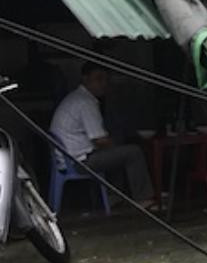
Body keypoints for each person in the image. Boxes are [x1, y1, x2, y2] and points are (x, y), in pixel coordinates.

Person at [49, 63, 156, 207]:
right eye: (98, 79)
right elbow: (99, 140)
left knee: (118, 150)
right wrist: (118, 146)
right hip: (79, 162)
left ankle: (114, 195)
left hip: (68, 158)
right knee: (133, 152)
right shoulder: (85, 102)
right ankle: (144, 199)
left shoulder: (75, 98)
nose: (103, 84)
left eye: (106, 80)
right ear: (85, 79)